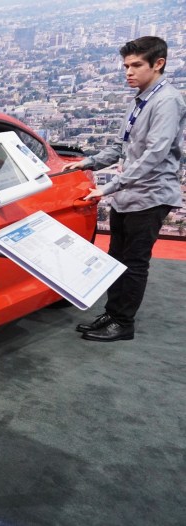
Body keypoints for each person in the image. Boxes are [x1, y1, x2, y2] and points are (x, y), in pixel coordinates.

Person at [63, 36, 186, 342]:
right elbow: (122, 146)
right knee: (115, 257)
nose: (128, 72)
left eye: (136, 65)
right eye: (126, 66)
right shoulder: (140, 99)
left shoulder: (167, 101)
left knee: (133, 262)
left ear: (158, 64)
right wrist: (87, 163)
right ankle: (113, 313)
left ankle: (123, 323)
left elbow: (154, 155)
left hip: (150, 196)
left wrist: (109, 188)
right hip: (128, 195)